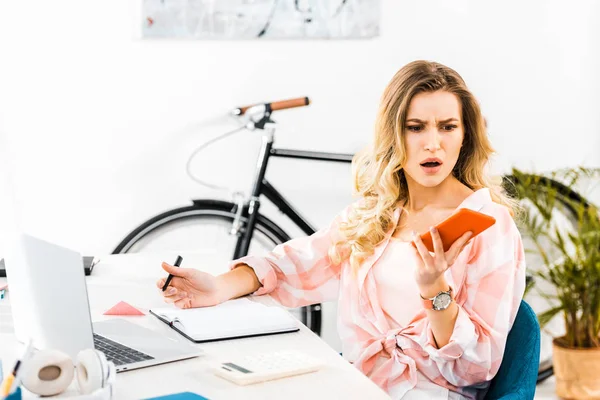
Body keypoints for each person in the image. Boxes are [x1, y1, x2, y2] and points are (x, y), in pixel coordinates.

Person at [156, 60, 526, 399]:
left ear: (465, 136)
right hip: (354, 383)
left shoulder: (488, 226)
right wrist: (219, 286)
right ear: (394, 135)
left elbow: (476, 366)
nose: (433, 143)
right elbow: (296, 265)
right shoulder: (375, 214)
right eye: (415, 128)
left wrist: (435, 291)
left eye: (448, 127)